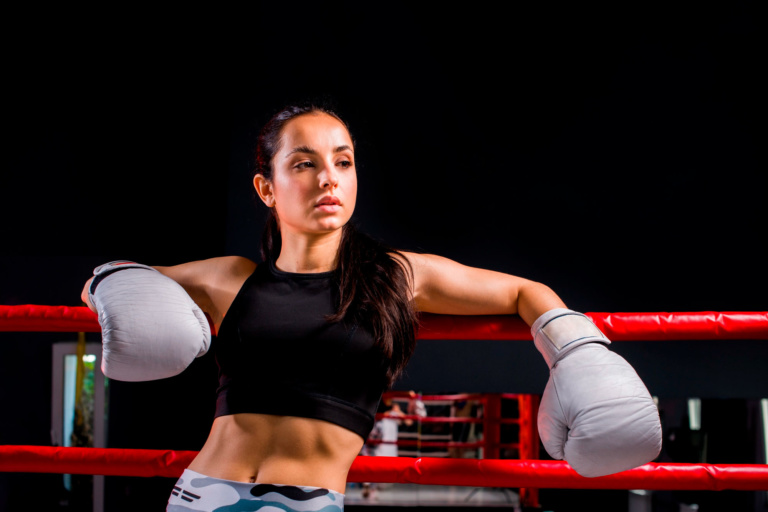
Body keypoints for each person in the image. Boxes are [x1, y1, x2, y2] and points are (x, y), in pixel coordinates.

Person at [81, 102, 663, 511]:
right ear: (267, 187)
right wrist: (109, 284)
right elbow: (109, 281)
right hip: (203, 493)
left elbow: (522, 292)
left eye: (343, 161)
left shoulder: (397, 276)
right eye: (304, 163)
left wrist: (574, 346)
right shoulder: (229, 280)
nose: (328, 179)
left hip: (307, 504)